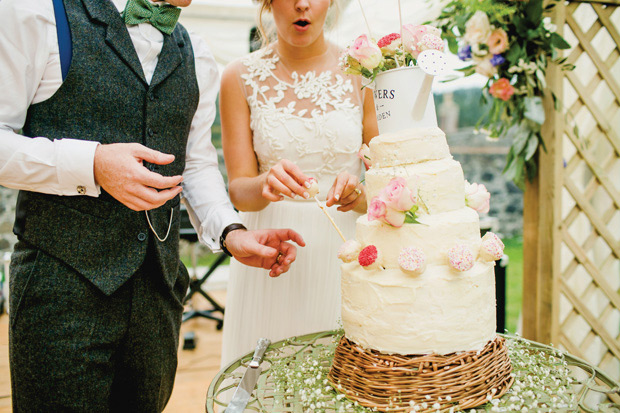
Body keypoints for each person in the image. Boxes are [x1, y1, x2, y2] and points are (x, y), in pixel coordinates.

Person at [0, 0, 305, 411]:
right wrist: (90, 163)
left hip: (157, 297)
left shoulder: (195, 51)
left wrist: (232, 232)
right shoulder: (38, 14)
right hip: (59, 289)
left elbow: (195, 165)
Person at [219, 0, 378, 366]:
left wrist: (358, 195)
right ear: (268, 2)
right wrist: (263, 184)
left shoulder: (364, 74)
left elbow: (387, 189)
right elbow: (238, 190)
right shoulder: (238, 76)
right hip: (270, 256)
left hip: (344, 251)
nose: (302, 4)